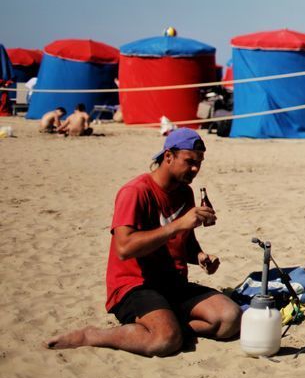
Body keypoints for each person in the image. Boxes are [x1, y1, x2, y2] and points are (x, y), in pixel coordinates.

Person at [46, 128, 240, 356]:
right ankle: (91, 335)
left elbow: (184, 242)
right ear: (169, 156)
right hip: (135, 286)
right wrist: (178, 224)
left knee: (230, 319)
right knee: (164, 341)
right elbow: (124, 249)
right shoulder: (135, 192)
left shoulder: (184, 193)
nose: (196, 169)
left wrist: (199, 256)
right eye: (190, 161)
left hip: (172, 282)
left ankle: (168, 325)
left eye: (199, 162)